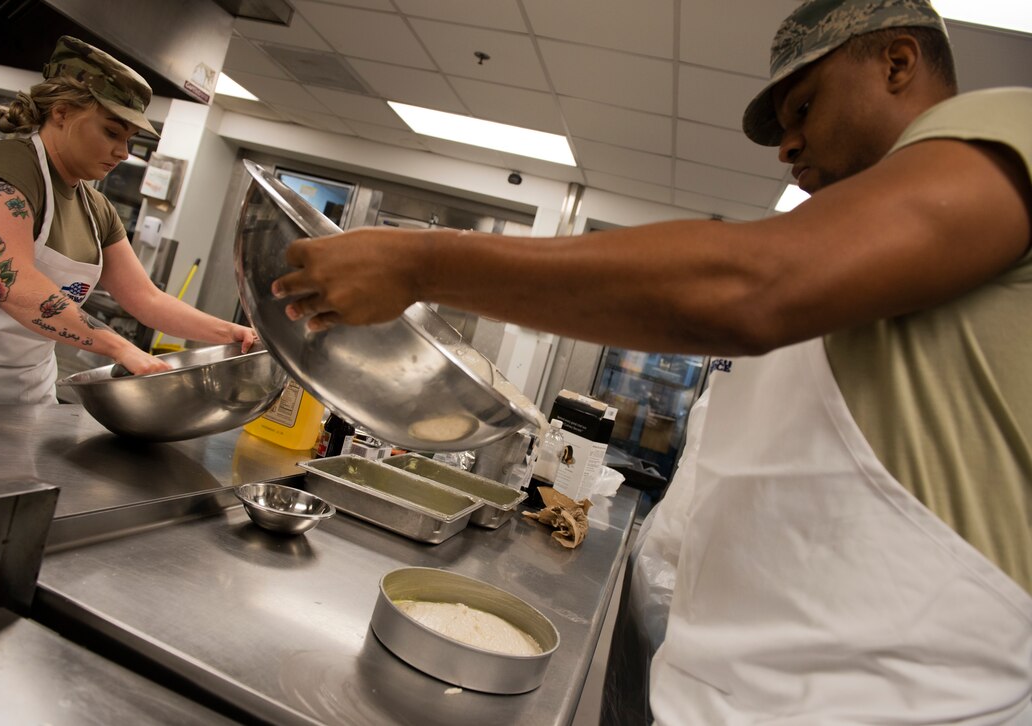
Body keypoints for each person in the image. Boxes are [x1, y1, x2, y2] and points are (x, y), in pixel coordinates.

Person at [274, 0, 1030, 721]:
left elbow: (750, 286)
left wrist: (424, 264)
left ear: (898, 62)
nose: (786, 145)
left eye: (803, 107)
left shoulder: (1009, 128)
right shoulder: (862, 282)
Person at [0, 36, 256, 405]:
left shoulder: (97, 209)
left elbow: (145, 299)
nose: (123, 153)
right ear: (61, 112)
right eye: (111, 132)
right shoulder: (5, 169)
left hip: (28, 390)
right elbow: (11, 282)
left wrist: (233, 333)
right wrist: (117, 346)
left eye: (129, 139)